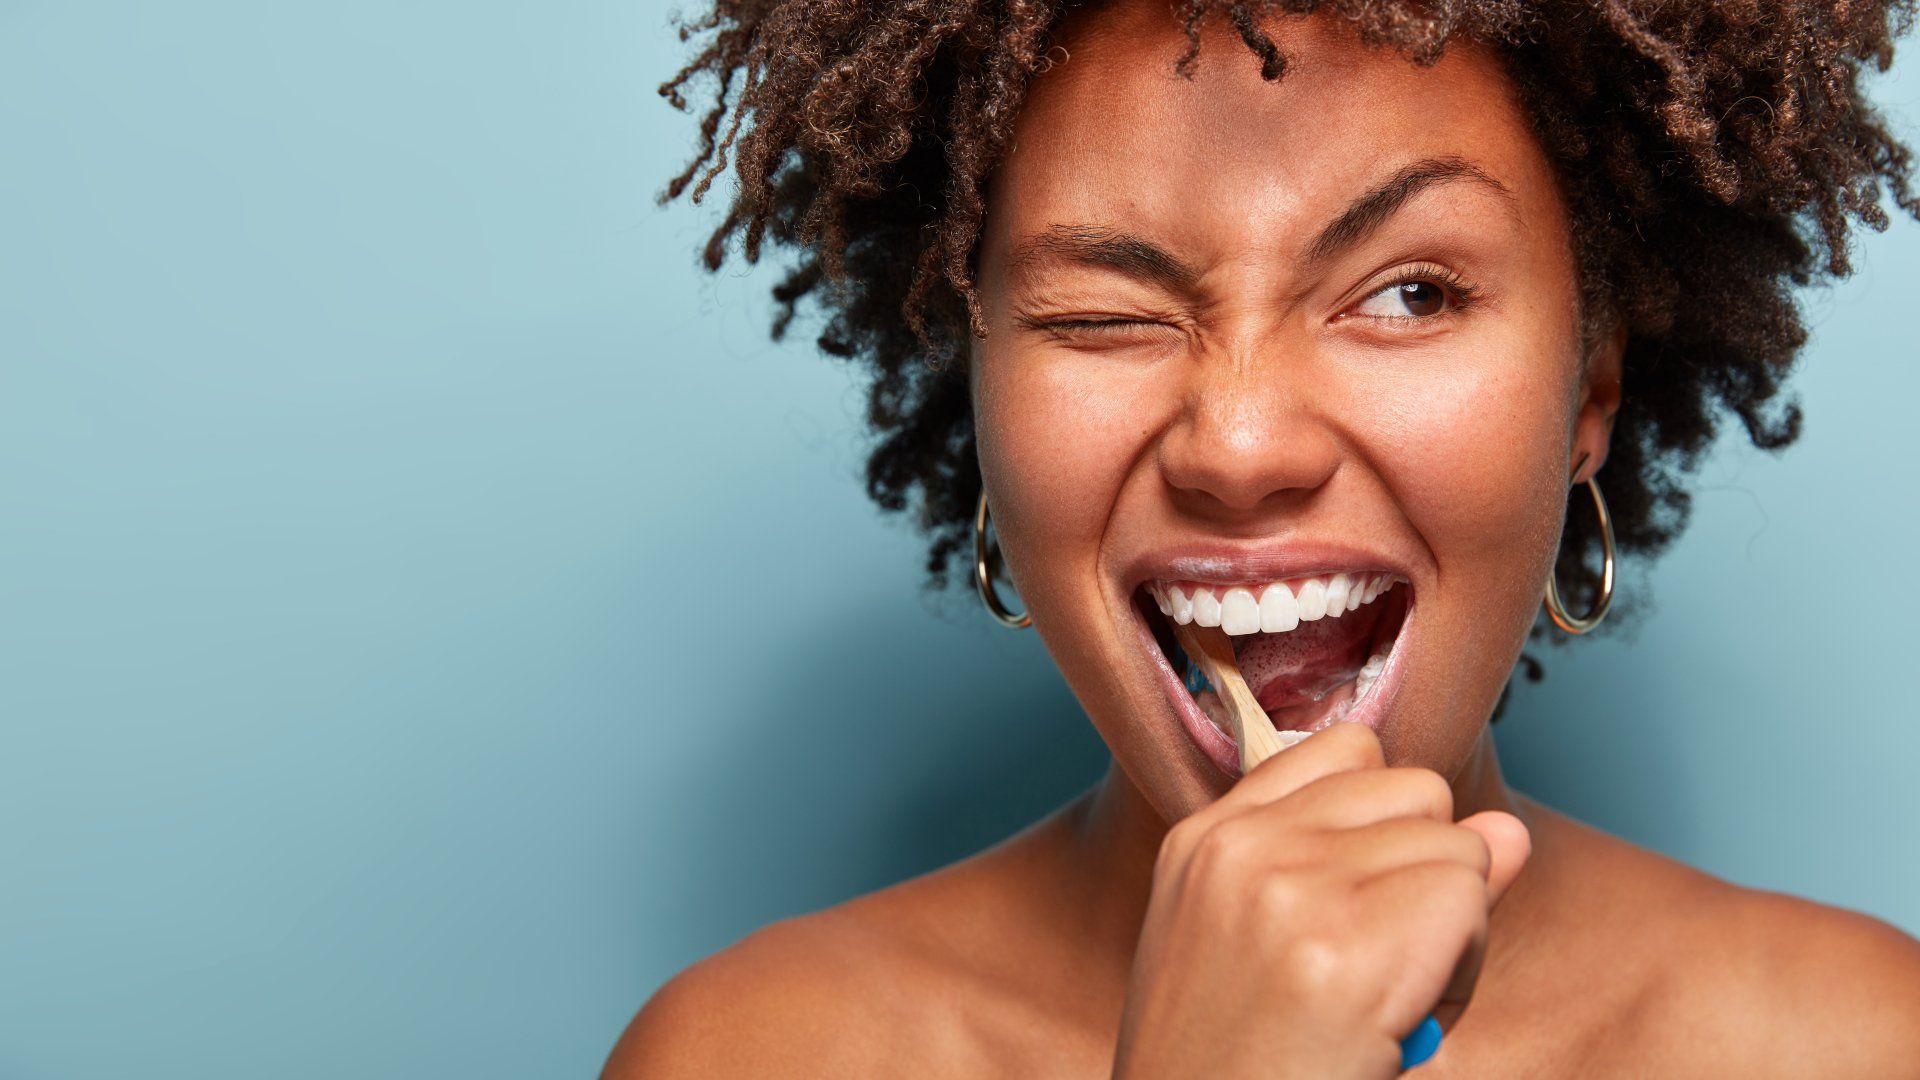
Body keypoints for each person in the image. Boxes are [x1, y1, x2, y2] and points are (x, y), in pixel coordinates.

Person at [608, 0, 1920, 1074]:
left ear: (1592, 386)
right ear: (980, 399)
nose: (1238, 449)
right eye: (1100, 313)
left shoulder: (1861, 1042)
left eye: (1409, 293)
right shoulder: (746, 1053)